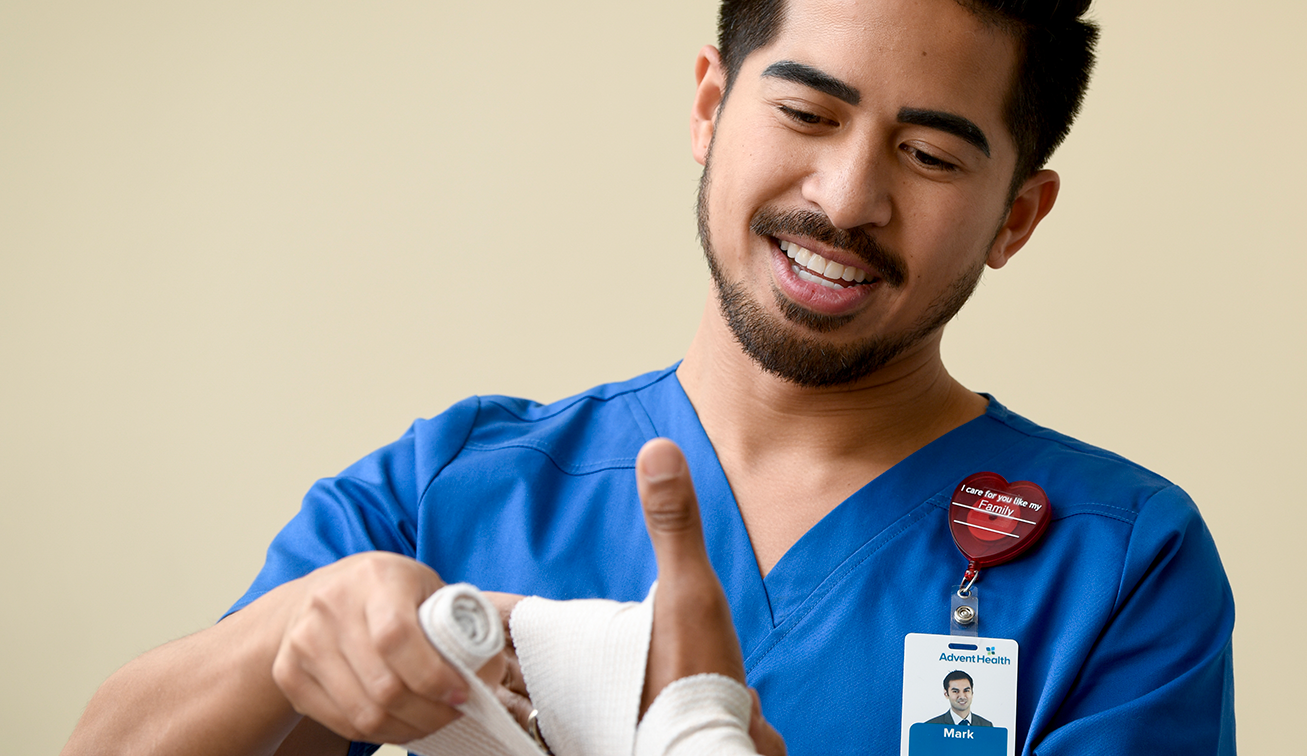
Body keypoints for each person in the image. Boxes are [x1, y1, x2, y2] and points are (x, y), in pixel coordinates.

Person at [60, 1, 1235, 754]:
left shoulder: (1119, 560)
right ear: (713, 107)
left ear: (1016, 218)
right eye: (804, 112)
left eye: (928, 155)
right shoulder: (452, 493)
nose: (843, 199)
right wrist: (287, 640)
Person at [923, 671, 993, 728]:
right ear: (946, 694)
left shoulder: (986, 726)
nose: (962, 696)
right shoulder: (931, 727)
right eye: (955, 691)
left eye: (966, 690)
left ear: (972, 693)